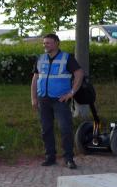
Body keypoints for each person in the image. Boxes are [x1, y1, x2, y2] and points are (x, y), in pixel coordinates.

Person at [31, 33, 84, 169]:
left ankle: (69, 158)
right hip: (43, 99)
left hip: (60, 99)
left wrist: (71, 93)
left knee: (65, 129)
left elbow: (79, 74)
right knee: (46, 129)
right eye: (44, 43)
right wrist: (34, 98)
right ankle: (50, 157)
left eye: (48, 43)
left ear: (56, 43)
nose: (45, 45)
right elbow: (35, 79)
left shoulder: (67, 58)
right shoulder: (40, 58)